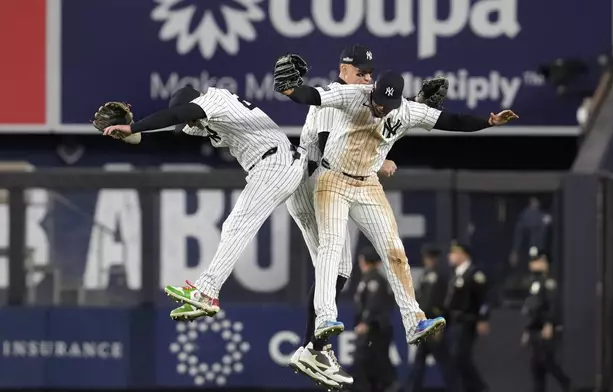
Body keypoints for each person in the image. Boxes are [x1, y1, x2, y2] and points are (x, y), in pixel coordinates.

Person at [273, 54, 517, 349]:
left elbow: (450, 119)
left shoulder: (406, 110)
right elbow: (314, 95)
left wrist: (488, 122)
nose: (379, 109)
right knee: (331, 246)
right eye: (377, 102)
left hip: (367, 184)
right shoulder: (354, 95)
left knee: (395, 251)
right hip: (333, 179)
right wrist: (290, 90)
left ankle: (414, 321)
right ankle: (325, 317)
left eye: (386, 107)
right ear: (373, 89)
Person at [101, 85, 306, 320]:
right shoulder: (205, 118)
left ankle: (207, 292)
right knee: (323, 242)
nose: (191, 125)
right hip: (284, 163)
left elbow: (176, 115)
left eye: (190, 118)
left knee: (235, 226)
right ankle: (320, 326)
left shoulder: (215, 100)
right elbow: (174, 125)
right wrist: (137, 134)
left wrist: (132, 127)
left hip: (275, 164)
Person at [288, 44, 397, 389]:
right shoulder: (336, 96)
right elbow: (327, 145)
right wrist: (378, 161)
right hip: (311, 181)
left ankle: (314, 346)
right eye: (360, 72)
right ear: (343, 69)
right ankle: (313, 346)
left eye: (369, 73)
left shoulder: (356, 100)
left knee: (337, 268)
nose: (366, 78)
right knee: (336, 268)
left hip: (315, 180)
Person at [521, 247, 571, 392]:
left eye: (536, 260)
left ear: (544, 262)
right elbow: (532, 307)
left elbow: (553, 305)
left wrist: (549, 323)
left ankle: (567, 383)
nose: (532, 264)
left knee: (547, 362)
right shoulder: (534, 282)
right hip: (536, 328)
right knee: (537, 366)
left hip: (545, 328)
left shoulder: (549, 282)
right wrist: (527, 329)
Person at [444, 241, 490, 392]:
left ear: (462, 254)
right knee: (455, 358)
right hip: (454, 321)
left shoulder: (474, 274)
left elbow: (484, 298)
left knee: (460, 356)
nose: (449, 256)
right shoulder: (456, 275)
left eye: (453, 253)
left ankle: (479, 387)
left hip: (467, 320)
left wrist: (483, 319)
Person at [352, 246, 397, 392]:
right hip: (374, 328)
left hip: (375, 328)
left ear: (364, 262)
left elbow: (373, 305)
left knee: (369, 361)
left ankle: (389, 386)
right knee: (373, 362)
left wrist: (365, 322)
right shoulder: (368, 279)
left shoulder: (375, 280)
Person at [407, 244, 452, 392]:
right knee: (419, 363)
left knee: (444, 361)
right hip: (423, 325)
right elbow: (420, 298)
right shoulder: (425, 274)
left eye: (430, 257)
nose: (427, 260)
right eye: (426, 257)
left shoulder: (441, 275)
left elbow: (442, 302)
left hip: (433, 324)